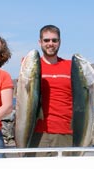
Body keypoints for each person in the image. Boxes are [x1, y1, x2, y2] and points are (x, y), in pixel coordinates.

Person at [29, 24, 73, 156]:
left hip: (65, 132)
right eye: (46, 40)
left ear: (60, 42)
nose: (51, 44)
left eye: (54, 40)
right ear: (40, 42)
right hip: (37, 132)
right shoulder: (31, 67)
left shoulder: (70, 66)